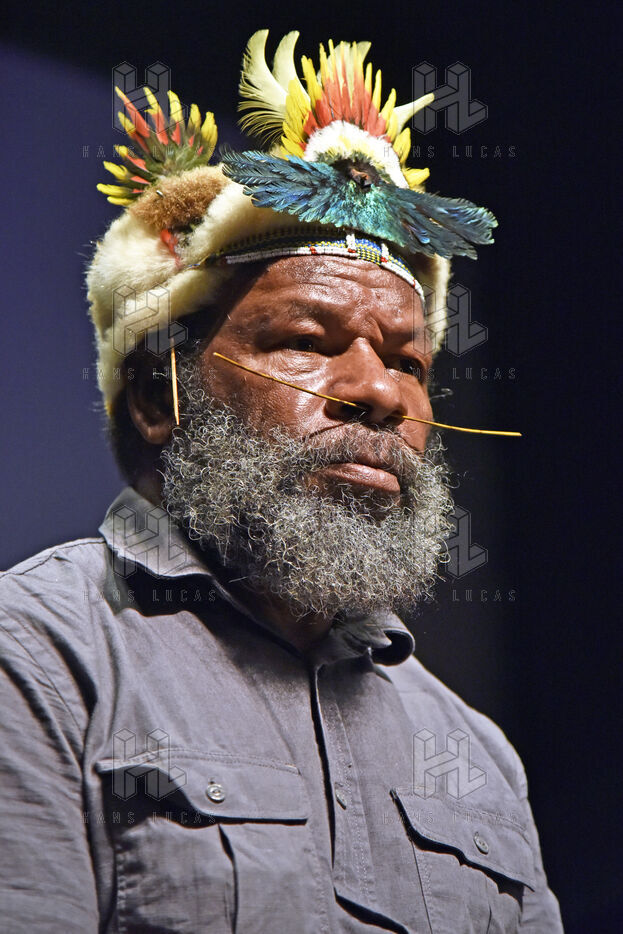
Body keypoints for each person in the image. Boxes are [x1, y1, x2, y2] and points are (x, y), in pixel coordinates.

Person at [0, 30, 563, 932]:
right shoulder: (35, 655)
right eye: (306, 340)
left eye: (408, 362)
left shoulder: (474, 753)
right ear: (157, 396)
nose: (378, 392)